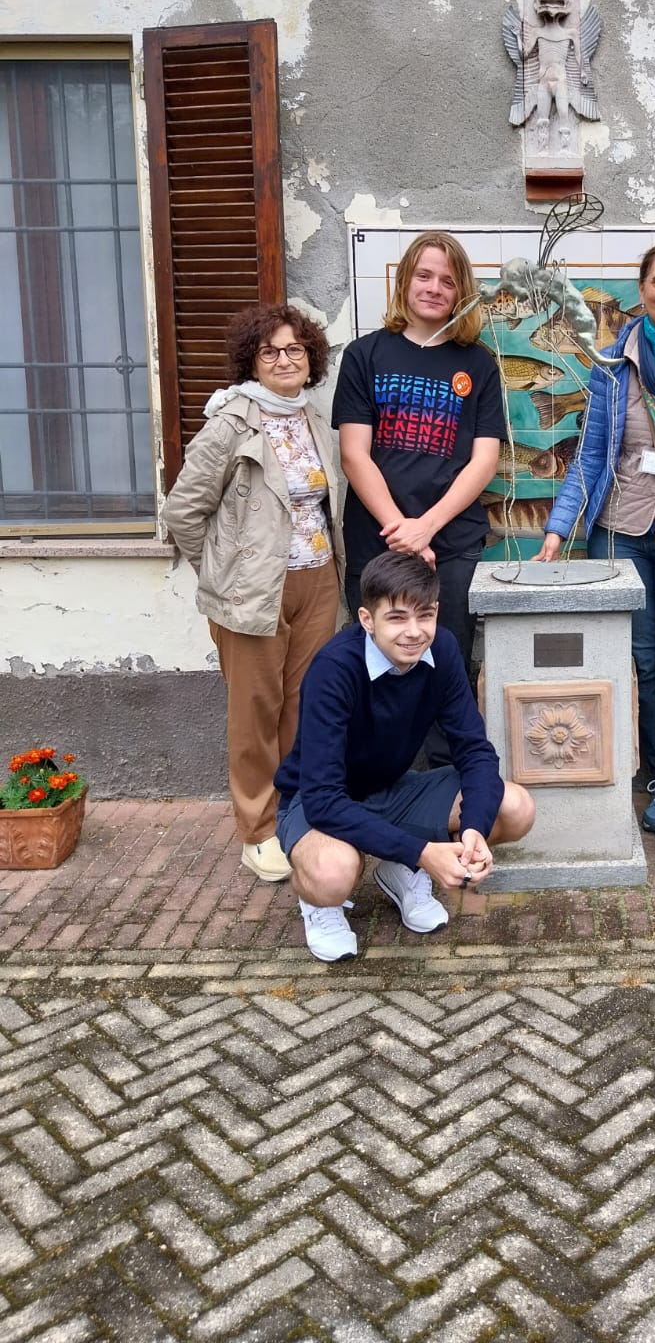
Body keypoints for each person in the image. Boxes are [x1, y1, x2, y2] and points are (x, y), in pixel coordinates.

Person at [534, 239, 655, 856]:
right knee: (643, 661)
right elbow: (590, 455)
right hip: (619, 530)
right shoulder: (610, 365)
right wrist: (557, 528)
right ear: (641, 289)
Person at [274, 552, 535, 962]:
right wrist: (423, 851)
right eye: (397, 618)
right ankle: (320, 903)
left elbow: (475, 751)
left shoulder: (442, 650)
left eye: (425, 615)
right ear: (367, 619)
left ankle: (400, 870)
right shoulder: (334, 669)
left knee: (514, 808)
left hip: (393, 790)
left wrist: (474, 828)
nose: (414, 632)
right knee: (333, 873)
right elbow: (323, 798)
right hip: (316, 801)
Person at [163, 303, 344, 883]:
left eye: (295, 349)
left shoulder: (313, 418)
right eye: (271, 351)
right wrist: (222, 573)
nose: (285, 360)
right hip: (253, 594)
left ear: (311, 357)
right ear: (252, 361)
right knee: (255, 712)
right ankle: (259, 831)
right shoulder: (230, 423)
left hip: (319, 581)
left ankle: (297, 815)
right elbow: (183, 512)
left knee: (305, 706)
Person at [332, 229, 503, 702]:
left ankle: (445, 752)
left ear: (461, 291)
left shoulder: (480, 364)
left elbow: (484, 460)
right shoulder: (364, 356)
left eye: (448, 281)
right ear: (405, 281)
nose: (434, 288)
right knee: (376, 669)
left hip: (451, 544)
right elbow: (354, 454)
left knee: (446, 664)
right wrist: (401, 532)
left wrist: (426, 528)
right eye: (424, 276)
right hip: (377, 541)